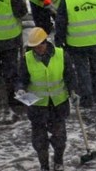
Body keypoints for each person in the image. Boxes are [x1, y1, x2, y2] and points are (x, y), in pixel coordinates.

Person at [16, 27, 75, 171]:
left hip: (58, 104)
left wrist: (73, 92)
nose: (38, 49)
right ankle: (44, 166)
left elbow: (70, 76)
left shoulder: (61, 55)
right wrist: (20, 88)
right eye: (34, 46)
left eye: (40, 45)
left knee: (59, 138)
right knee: (39, 140)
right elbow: (20, 79)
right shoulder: (27, 59)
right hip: (37, 106)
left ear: (46, 42)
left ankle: (58, 161)